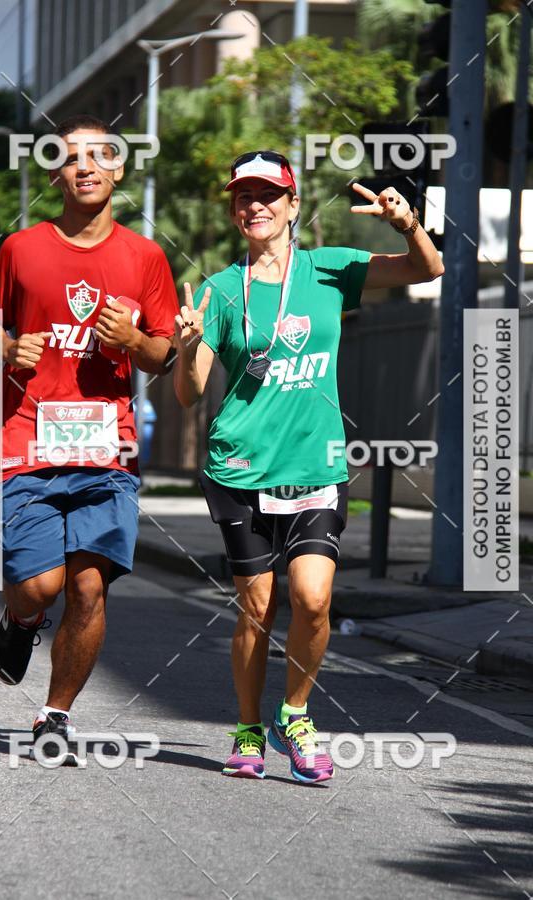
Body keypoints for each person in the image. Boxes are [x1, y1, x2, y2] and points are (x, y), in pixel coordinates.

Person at [173, 150, 444, 783]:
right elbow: (190, 393)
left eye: (269, 194)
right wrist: (187, 350)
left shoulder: (331, 270)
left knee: (314, 600)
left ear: (294, 205)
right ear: (236, 210)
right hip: (240, 468)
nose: (255, 206)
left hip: (315, 465)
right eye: (244, 197)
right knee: (257, 610)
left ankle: (294, 713)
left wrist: (407, 225)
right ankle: (246, 726)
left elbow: (425, 270)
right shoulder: (216, 291)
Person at [0, 114, 178, 758]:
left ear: (119, 169)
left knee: (89, 585)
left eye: (100, 156)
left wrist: (134, 341)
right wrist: (9, 348)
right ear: (54, 173)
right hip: (27, 438)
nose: (86, 166)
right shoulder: (21, 248)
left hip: (107, 445)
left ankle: (54, 715)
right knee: (40, 586)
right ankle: (20, 620)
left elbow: (164, 354)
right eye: (71, 158)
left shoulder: (145, 256)